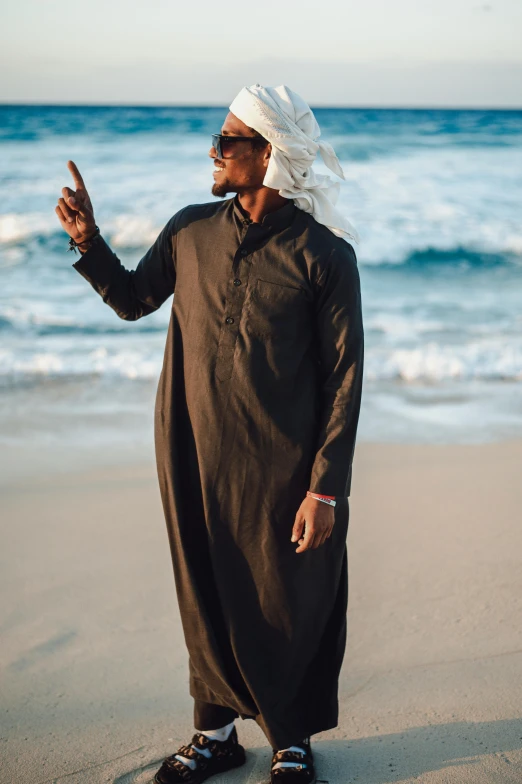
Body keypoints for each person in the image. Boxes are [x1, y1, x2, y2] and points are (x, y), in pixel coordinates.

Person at [55, 83, 364, 784]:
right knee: (204, 582)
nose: (214, 151)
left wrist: (326, 490)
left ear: (269, 155)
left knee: (289, 590)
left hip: (284, 459)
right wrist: (89, 241)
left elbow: (345, 377)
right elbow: (134, 299)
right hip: (191, 447)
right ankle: (216, 735)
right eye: (218, 140)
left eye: (227, 141)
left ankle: (291, 739)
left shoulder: (324, 256)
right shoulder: (191, 231)